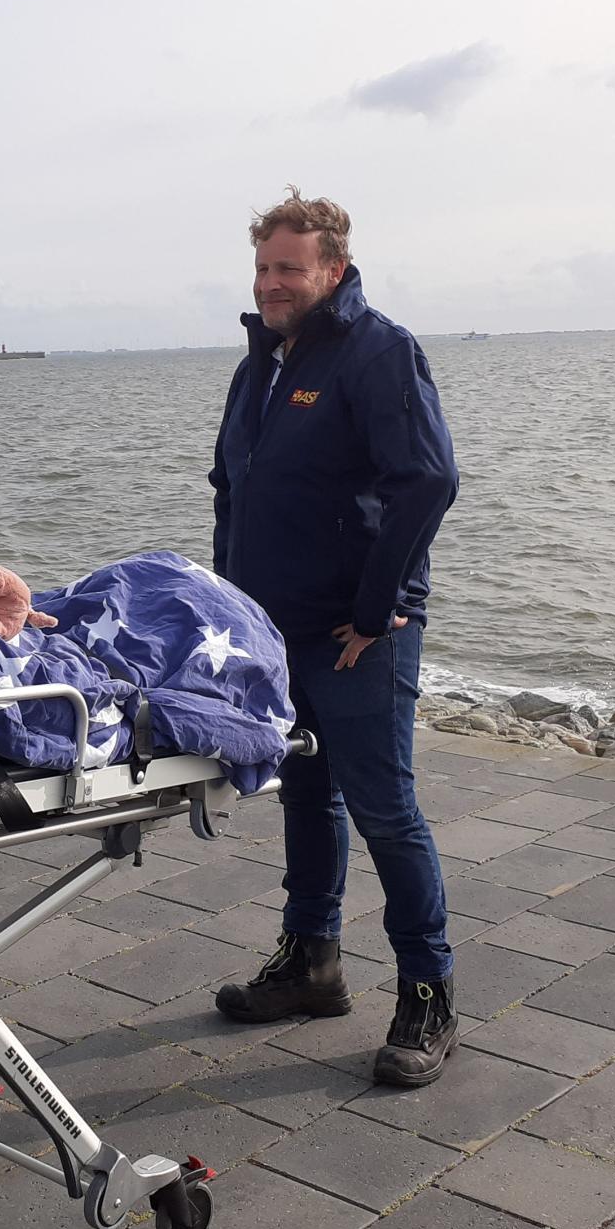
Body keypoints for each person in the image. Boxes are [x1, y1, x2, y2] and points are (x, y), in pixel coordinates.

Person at [208, 188, 462, 1087]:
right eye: (262, 267)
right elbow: (231, 489)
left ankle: (428, 994)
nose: (271, 283)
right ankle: (311, 964)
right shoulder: (264, 362)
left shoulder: (379, 350)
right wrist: (232, 614)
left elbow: (428, 480)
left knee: (385, 809)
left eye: (290, 268)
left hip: (357, 634)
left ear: (334, 270)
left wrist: (378, 603)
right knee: (307, 796)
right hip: (275, 631)